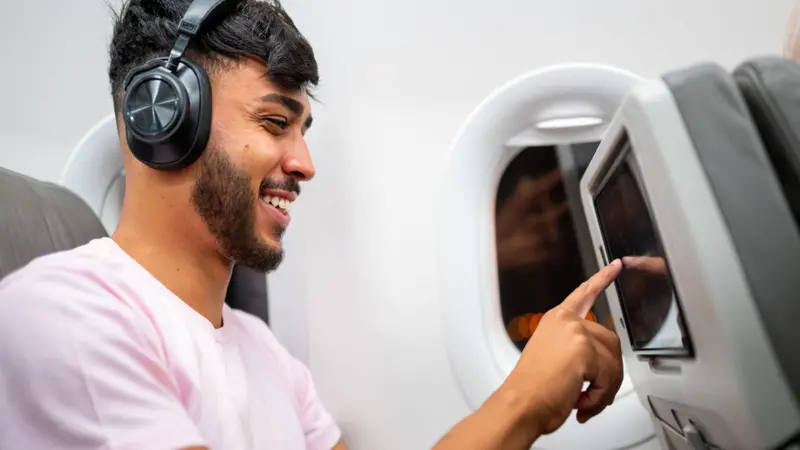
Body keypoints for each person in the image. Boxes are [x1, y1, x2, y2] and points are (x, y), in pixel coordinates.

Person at [0, 0, 625, 449]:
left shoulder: (262, 352)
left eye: (304, 132)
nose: (304, 164)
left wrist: (528, 390)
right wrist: (522, 405)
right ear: (160, 121)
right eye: (275, 123)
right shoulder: (60, 315)